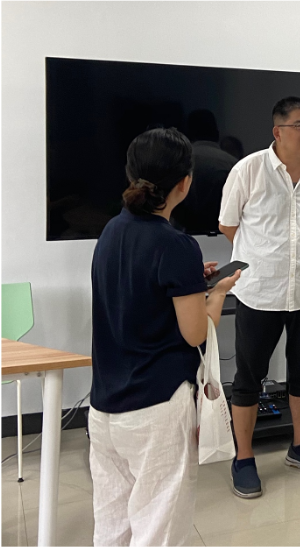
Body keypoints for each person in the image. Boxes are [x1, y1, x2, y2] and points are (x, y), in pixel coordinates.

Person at [89, 128, 241, 546]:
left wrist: (190, 282)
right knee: (157, 531)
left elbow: (138, 293)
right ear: (185, 183)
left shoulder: (111, 231)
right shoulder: (176, 244)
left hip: (104, 408)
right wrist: (217, 294)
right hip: (156, 410)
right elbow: (195, 333)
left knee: (112, 527)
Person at [219, 96, 300, 498]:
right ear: (278, 131)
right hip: (259, 293)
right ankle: (244, 458)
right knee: (248, 379)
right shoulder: (248, 170)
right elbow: (228, 226)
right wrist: (262, 259)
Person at [171, 109, 238, 234]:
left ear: (187, 134)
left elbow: (172, 205)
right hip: (225, 238)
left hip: (186, 236)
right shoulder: (233, 164)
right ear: (217, 133)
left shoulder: (178, 162)